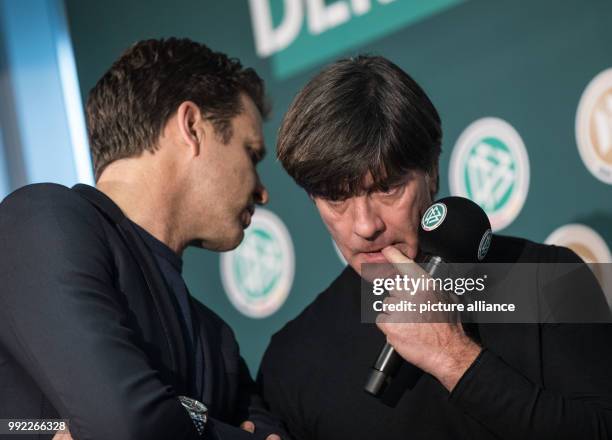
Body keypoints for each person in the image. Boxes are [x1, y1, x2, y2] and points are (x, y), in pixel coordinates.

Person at [257, 55, 612, 439]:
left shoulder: (549, 278)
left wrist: (453, 357)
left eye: (386, 188)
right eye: (335, 198)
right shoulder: (293, 359)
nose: (365, 226)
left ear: (432, 171)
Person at [0, 38, 285, 440]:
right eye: (250, 152)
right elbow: (126, 424)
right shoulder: (43, 221)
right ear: (191, 127)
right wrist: (204, 421)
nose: (262, 191)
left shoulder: (218, 340)